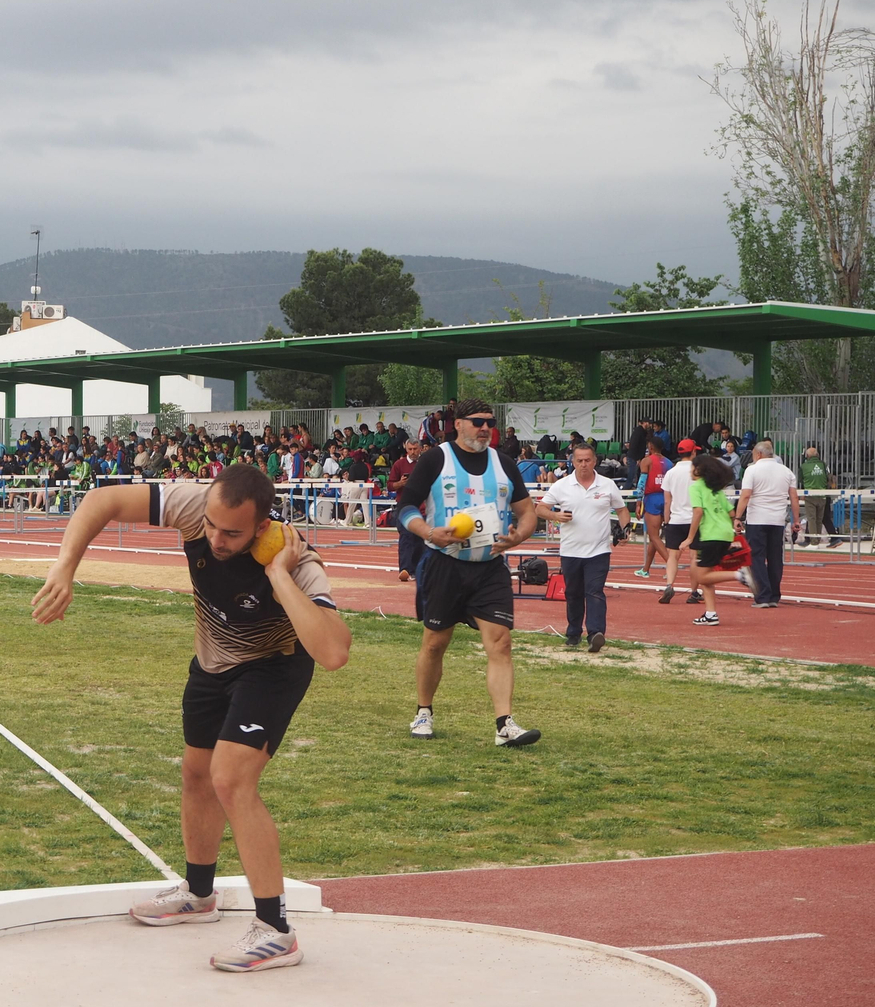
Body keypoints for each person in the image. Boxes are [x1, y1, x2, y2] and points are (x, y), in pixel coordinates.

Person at [33, 464, 350, 972]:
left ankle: (276, 930)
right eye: (211, 526)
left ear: (263, 526)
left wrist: (276, 574)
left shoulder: (298, 561)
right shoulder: (193, 503)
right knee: (196, 775)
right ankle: (199, 895)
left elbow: (333, 652)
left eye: (233, 533)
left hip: (273, 668)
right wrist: (64, 567)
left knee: (232, 779)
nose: (216, 540)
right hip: (212, 662)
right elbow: (101, 501)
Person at [394, 398, 541, 747]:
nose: (485, 428)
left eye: (489, 422)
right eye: (477, 421)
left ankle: (504, 724)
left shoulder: (503, 463)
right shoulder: (435, 459)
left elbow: (528, 512)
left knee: (501, 643)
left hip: (490, 568)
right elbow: (405, 508)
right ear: (457, 424)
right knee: (435, 644)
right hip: (443, 564)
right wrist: (429, 532)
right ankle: (424, 711)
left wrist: (518, 536)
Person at [536, 445, 632, 652]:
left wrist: (625, 530)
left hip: (599, 550)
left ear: (595, 461)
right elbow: (540, 508)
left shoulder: (607, 485)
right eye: (579, 460)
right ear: (572, 462)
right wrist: (555, 516)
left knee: (595, 591)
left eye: (587, 460)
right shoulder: (562, 485)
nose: (583, 464)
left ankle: (596, 634)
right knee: (573, 593)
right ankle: (573, 632)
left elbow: (622, 510)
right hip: (570, 550)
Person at [683, 454, 759, 626]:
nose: (690, 470)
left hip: (711, 535)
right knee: (707, 575)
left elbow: (698, 512)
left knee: (701, 577)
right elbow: (731, 513)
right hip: (725, 533)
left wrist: (689, 538)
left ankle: (739, 575)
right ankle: (711, 614)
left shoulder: (696, 487)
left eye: (692, 467)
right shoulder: (715, 489)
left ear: (699, 470)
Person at [735, 440, 800, 608]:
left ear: (757, 454)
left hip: (757, 519)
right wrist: (796, 520)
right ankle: (774, 595)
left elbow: (746, 495)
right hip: (777, 520)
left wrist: (737, 517)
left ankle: (762, 595)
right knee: (775, 558)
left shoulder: (752, 470)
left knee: (756, 557)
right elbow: (794, 497)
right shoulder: (786, 471)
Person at [658, 439, 701, 605]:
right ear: (693, 453)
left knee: (673, 556)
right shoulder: (698, 472)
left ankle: (669, 584)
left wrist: (666, 520)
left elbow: (667, 500)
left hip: (676, 518)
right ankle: (694, 592)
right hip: (695, 519)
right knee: (694, 556)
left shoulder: (671, 472)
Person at [387, 439, 424, 581]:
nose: (413, 452)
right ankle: (405, 569)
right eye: (410, 449)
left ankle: (416, 570)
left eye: (415, 449)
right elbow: (390, 485)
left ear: (420, 449)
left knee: (420, 540)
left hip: (422, 507)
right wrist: (400, 483)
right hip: (404, 507)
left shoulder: (424, 463)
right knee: (406, 538)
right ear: (406, 448)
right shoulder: (399, 464)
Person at [635, 443, 672, 578]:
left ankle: (671, 563)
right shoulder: (669, 462)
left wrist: (638, 502)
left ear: (650, 448)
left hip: (652, 499)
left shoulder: (647, 461)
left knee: (654, 536)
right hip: (666, 498)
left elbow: (641, 483)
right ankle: (645, 569)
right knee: (654, 536)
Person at [797, 445, 837, 546]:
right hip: (823, 495)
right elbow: (829, 477)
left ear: (807, 456)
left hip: (810, 495)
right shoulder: (823, 465)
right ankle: (817, 540)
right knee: (819, 519)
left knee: (811, 519)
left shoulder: (803, 466)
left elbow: (801, 479)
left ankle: (813, 542)